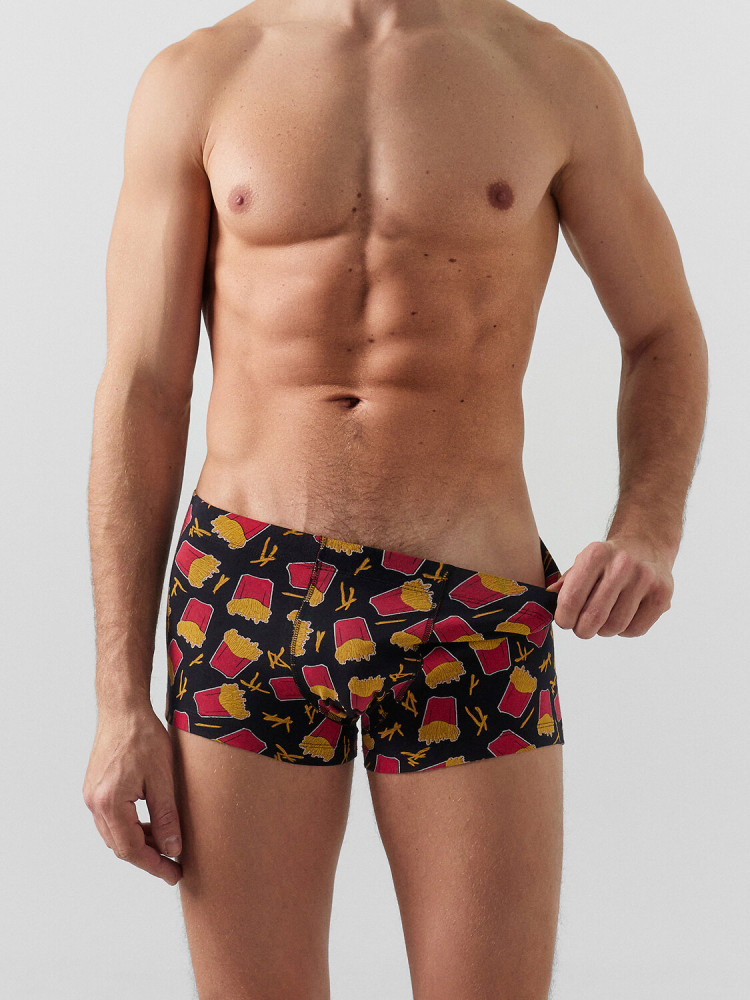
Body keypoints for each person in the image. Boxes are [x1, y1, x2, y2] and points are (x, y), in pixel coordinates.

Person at [82, 1, 708, 997]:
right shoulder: (201, 77)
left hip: (471, 602)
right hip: (247, 592)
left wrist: (649, 525)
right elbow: (144, 389)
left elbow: (664, 331)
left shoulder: (553, 78)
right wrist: (118, 701)